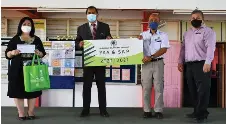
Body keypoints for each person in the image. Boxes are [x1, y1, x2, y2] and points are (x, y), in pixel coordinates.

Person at [178, 9, 216, 123]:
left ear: (203, 19)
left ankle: (202, 113)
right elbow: (183, 48)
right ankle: (196, 111)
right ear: (190, 19)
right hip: (189, 65)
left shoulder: (208, 32)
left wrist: (208, 62)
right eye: (193, 18)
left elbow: (210, 47)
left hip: (202, 64)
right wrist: (180, 61)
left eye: (198, 18)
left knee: (203, 89)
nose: (195, 20)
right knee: (192, 89)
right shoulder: (187, 33)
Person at [5, 17, 46, 121]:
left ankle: (31, 112)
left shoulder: (36, 39)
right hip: (17, 69)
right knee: (17, 90)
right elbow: (7, 54)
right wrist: (13, 52)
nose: (27, 25)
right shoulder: (15, 39)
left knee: (33, 90)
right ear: (20, 25)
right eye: (25, 23)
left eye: (29, 24)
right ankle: (21, 113)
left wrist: (38, 53)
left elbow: (42, 54)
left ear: (32, 26)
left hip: (32, 68)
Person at [75, 6, 112, 117]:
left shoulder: (105, 27)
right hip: (88, 61)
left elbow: (110, 40)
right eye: (89, 13)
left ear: (97, 14)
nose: (91, 14)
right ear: (86, 15)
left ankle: (103, 110)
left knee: (101, 87)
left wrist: (110, 40)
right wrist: (79, 44)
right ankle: (85, 110)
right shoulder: (81, 28)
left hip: (100, 61)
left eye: (93, 12)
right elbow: (77, 42)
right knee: (86, 87)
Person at [139, 13, 170, 119]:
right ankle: (147, 110)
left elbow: (164, 49)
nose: (153, 22)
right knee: (146, 87)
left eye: (156, 20)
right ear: (148, 21)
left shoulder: (163, 35)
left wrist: (151, 56)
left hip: (158, 63)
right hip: (146, 64)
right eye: (151, 20)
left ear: (159, 22)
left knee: (158, 87)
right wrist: (136, 42)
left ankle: (158, 110)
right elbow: (138, 49)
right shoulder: (142, 35)